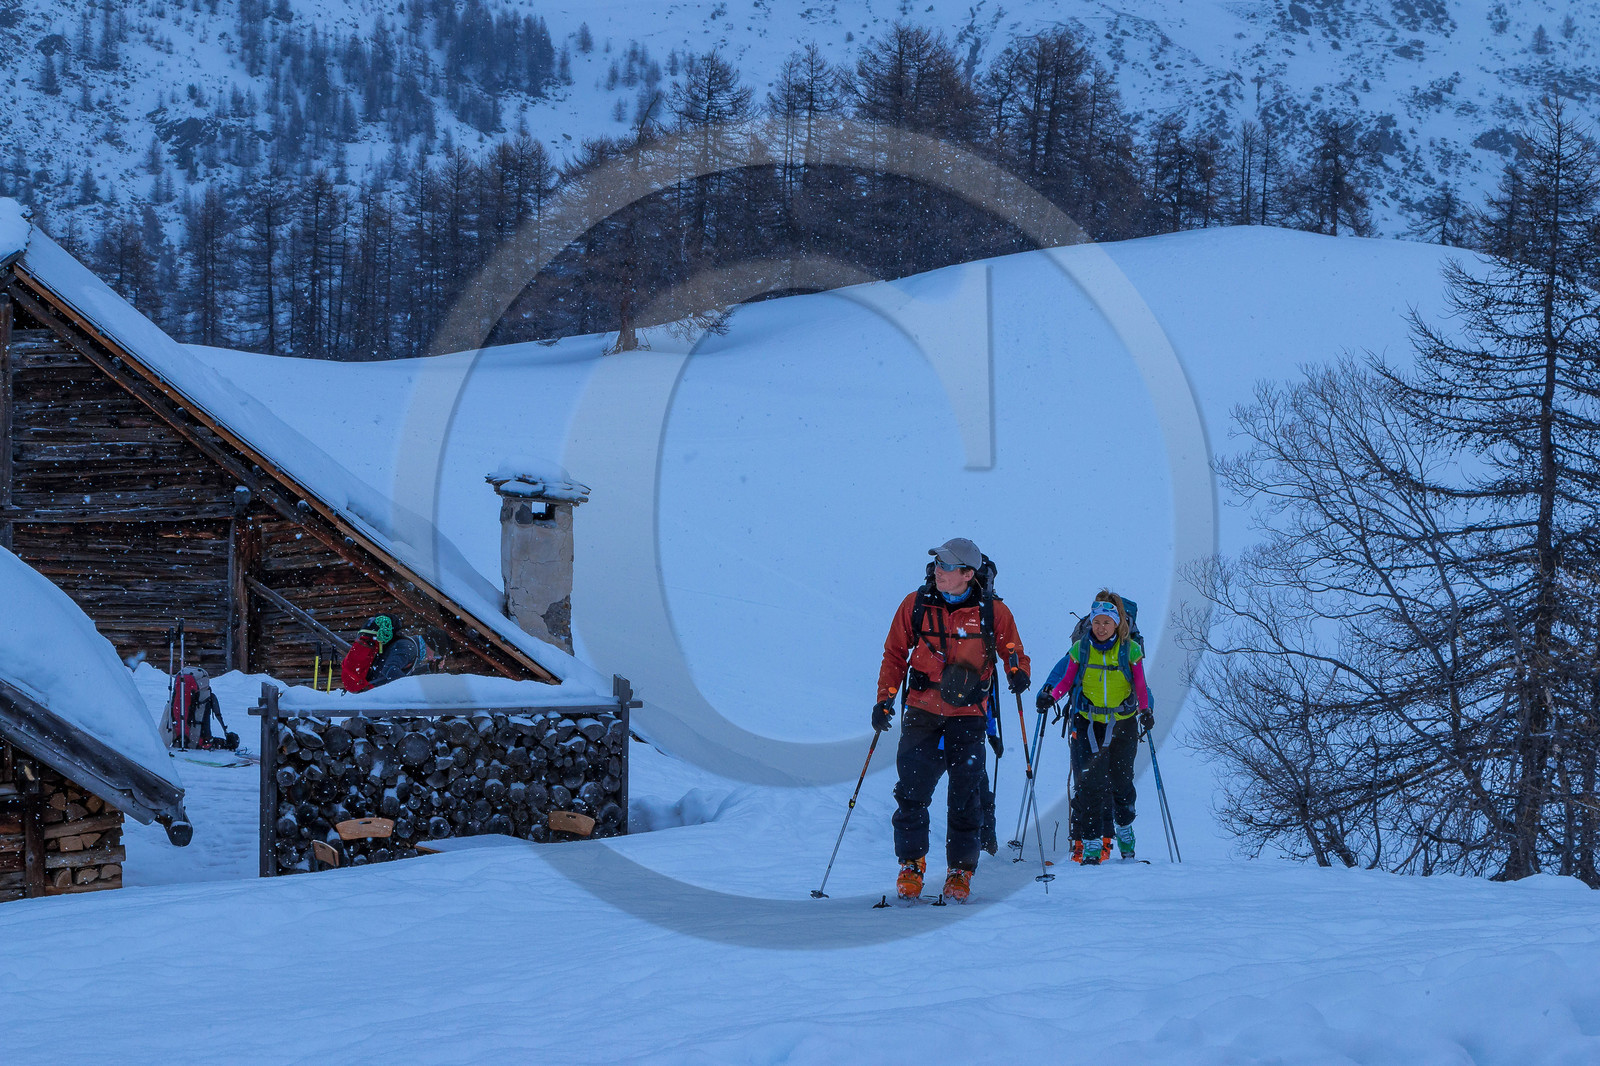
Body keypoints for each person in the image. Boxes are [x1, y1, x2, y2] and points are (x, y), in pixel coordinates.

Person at [875, 537, 1030, 902]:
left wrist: (1017, 671)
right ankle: (911, 865)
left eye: (947, 566)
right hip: (922, 711)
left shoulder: (993, 612)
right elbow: (895, 654)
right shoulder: (916, 605)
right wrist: (885, 700)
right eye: (937, 564)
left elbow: (1013, 650)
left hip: (969, 715)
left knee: (965, 796)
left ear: (967, 573)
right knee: (911, 791)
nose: (938, 571)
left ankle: (960, 871)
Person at [1038, 590, 1152, 864]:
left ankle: (1124, 830)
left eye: (1107, 622)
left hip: (1122, 723)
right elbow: (1066, 681)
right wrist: (1050, 696)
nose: (1101, 628)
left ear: (1117, 624)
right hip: (1088, 723)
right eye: (1096, 622)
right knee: (1090, 785)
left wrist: (1146, 710)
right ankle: (1090, 844)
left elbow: (1139, 685)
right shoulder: (1081, 648)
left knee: (1122, 783)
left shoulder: (1131, 650)